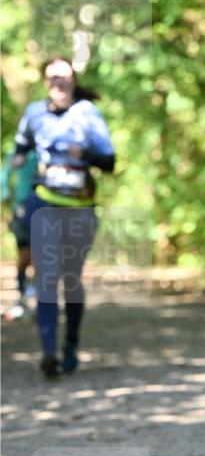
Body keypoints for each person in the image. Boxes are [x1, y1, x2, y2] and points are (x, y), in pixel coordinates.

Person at [13, 57, 116, 377]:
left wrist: (83, 154)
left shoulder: (87, 114)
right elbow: (21, 145)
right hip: (42, 201)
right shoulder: (34, 113)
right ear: (46, 81)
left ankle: (70, 344)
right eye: (52, 77)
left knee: (70, 279)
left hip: (79, 205)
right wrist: (16, 163)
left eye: (64, 77)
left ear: (73, 81)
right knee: (46, 276)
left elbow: (110, 161)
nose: (58, 83)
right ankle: (48, 352)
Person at [1, 148, 38, 319]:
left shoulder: (47, 152)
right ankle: (22, 294)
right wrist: (5, 194)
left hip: (44, 209)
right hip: (21, 210)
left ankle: (36, 298)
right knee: (25, 256)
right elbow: (4, 176)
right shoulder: (17, 154)